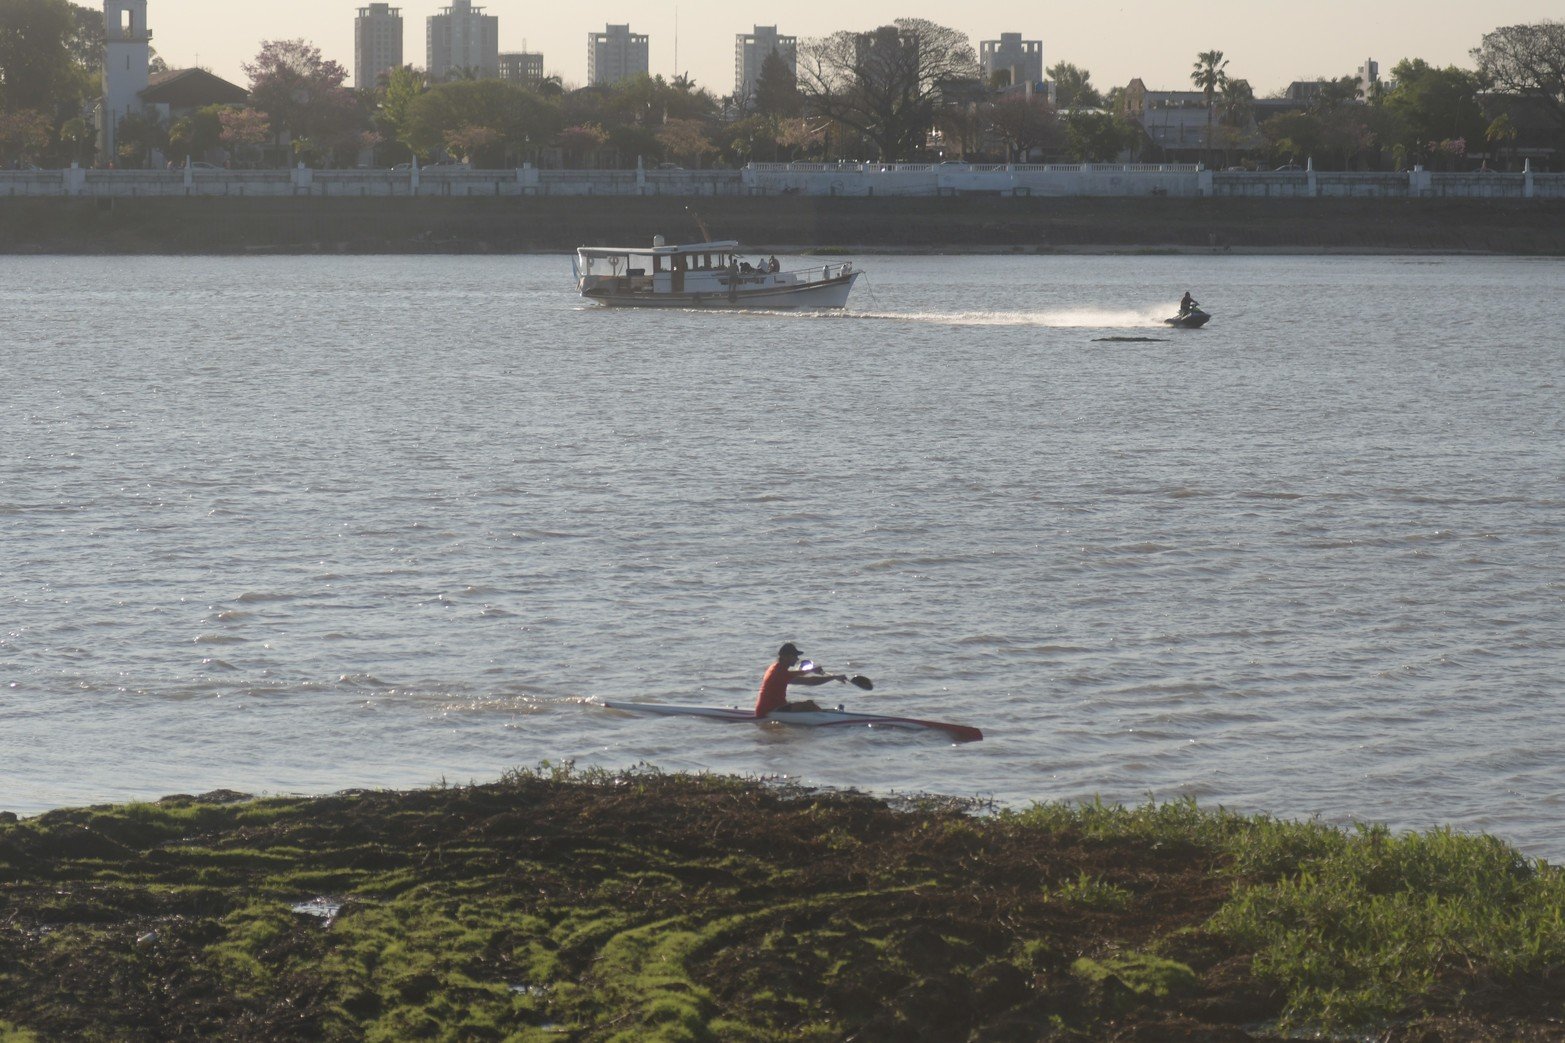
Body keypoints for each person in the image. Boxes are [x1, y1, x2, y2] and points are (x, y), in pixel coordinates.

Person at [755, 642, 846, 716]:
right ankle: (829, 717)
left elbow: (796, 675)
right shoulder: (779, 672)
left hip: (767, 708)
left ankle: (827, 713)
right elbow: (811, 681)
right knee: (809, 705)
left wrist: (812, 670)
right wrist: (834, 677)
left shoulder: (775, 667)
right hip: (769, 712)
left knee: (805, 705)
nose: (797, 658)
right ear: (785, 657)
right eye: (794, 656)